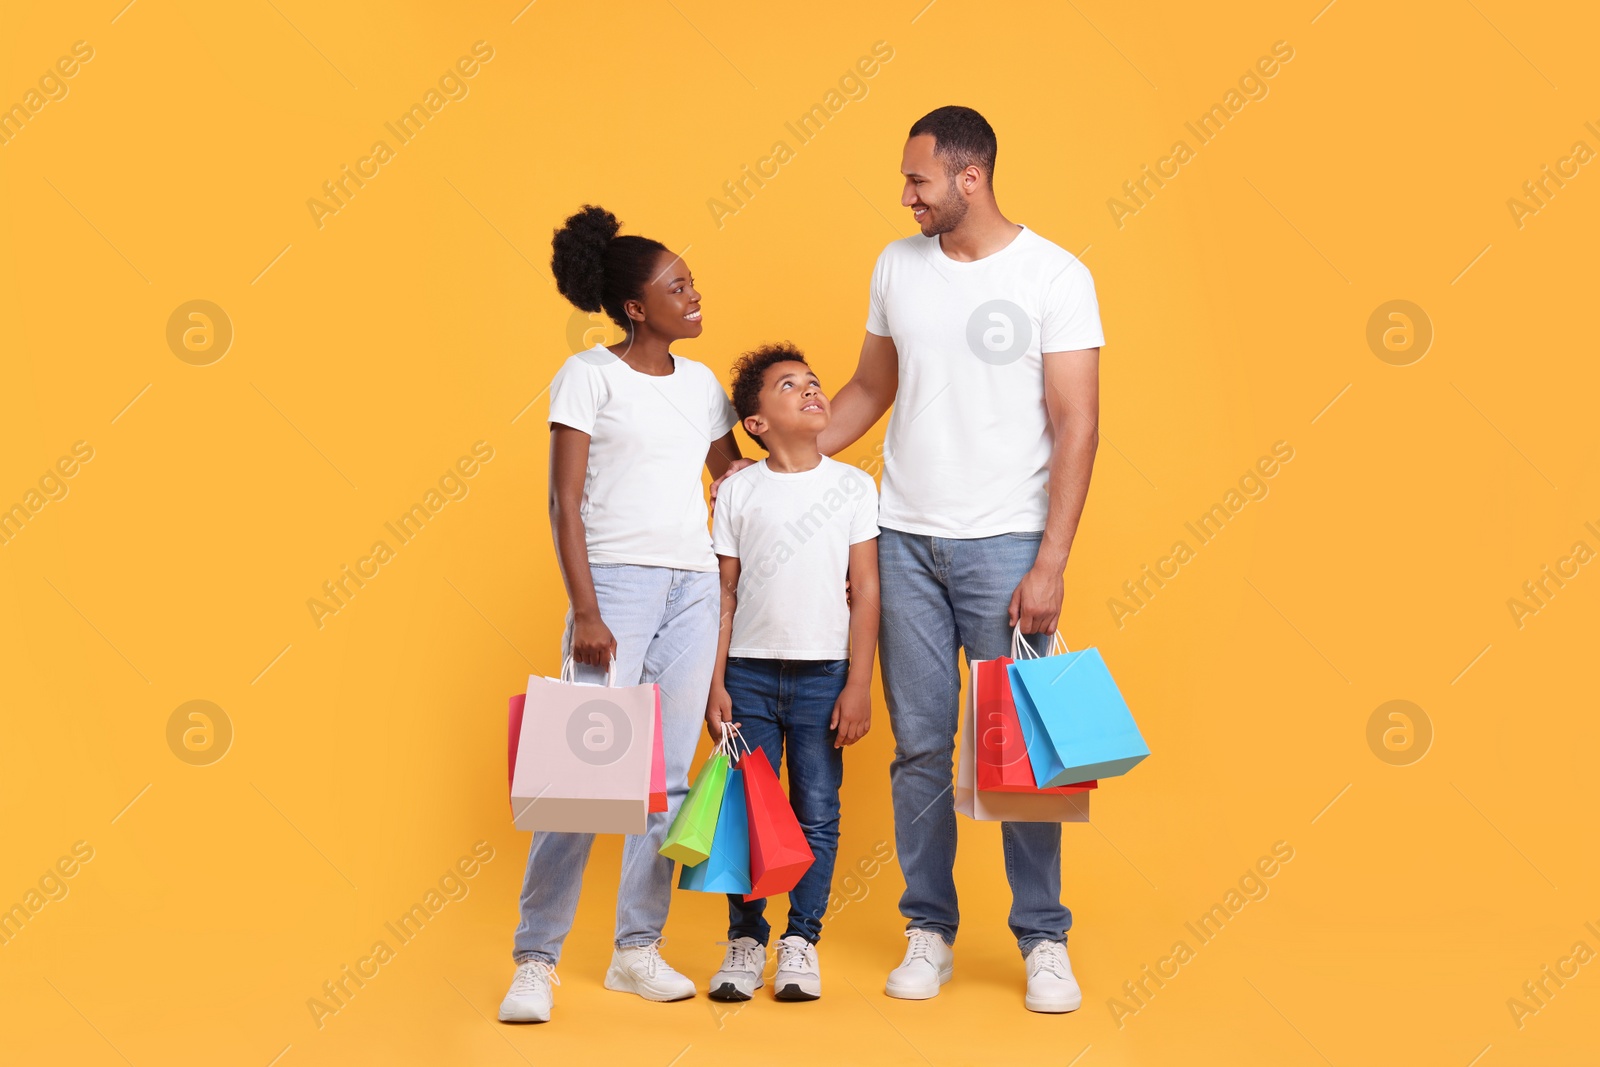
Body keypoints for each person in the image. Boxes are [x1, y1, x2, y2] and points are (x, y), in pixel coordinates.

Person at [714, 105, 1104, 1012]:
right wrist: (774, 461)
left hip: (1008, 542)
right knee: (921, 746)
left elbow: (1078, 421)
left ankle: (1043, 938)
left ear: (970, 178)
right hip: (903, 538)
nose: (906, 196)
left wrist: (1051, 559)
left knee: (1023, 752)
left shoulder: (1056, 276)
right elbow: (868, 389)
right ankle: (928, 928)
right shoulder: (898, 265)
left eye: (918, 181)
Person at [500, 205, 743, 1024]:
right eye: (678, 286)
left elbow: (730, 480)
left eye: (692, 281)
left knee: (668, 781)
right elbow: (562, 502)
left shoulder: (704, 384)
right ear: (637, 306)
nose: (694, 293)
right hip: (616, 586)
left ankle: (636, 948)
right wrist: (585, 609)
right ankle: (535, 960)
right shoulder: (588, 377)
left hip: (694, 586)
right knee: (580, 780)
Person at [701, 343, 880, 1003]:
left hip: (824, 676)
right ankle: (746, 939)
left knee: (816, 810)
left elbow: (866, 589)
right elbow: (723, 592)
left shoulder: (855, 486)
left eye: (812, 381)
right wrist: (713, 682)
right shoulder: (738, 490)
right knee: (749, 809)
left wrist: (859, 683)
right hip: (746, 674)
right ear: (756, 423)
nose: (809, 389)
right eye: (787, 386)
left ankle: (802, 940)